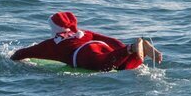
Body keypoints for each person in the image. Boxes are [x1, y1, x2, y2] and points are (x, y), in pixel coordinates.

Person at [10, 11, 163, 71]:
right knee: (123, 65)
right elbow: (108, 40)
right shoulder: (83, 33)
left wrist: (12, 58)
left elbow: (23, 53)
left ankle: (131, 49)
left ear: (54, 29)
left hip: (84, 54)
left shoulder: (52, 44)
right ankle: (133, 51)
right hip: (100, 46)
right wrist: (122, 46)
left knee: (104, 65)